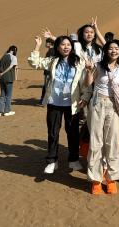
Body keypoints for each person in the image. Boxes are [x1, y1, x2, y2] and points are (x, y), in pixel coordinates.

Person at [29, 36, 90, 173]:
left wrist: (85, 96)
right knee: (53, 132)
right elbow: (34, 63)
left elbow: (84, 82)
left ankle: (73, 160)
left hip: (72, 103)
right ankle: (52, 161)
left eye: (68, 44)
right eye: (63, 45)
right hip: (54, 102)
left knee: (73, 133)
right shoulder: (53, 61)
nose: (66, 47)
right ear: (57, 47)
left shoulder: (78, 62)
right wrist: (37, 46)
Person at [85, 40, 119, 195]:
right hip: (97, 104)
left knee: (113, 143)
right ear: (106, 51)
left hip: (114, 106)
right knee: (96, 142)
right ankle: (96, 180)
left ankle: (111, 179)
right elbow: (87, 84)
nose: (113, 51)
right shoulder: (98, 65)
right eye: (110, 48)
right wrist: (89, 71)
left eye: (116, 48)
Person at [0, 46, 18, 117]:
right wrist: (3, 73)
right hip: (9, 78)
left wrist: (0, 74)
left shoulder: (3, 57)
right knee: (8, 95)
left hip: (2, 79)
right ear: (14, 50)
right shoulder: (13, 57)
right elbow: (11, 66)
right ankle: (7, 111)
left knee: (2, 94)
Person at [40, 38, 55, 104]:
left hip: (49, 72)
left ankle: (47, 101)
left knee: (47, 86)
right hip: (48, 72)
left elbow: (49, 62)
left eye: (46, 42)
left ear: (49, 43)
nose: (45, 44)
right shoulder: (51, 50)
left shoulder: (51, 51)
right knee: (46, 86)